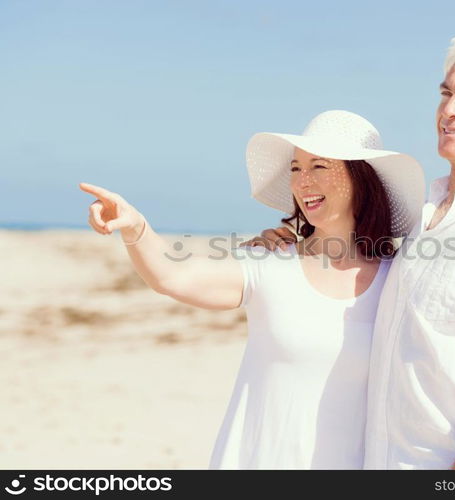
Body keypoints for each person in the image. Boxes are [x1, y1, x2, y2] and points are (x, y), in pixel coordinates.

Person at [251, 27, 455, 469]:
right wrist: (296, 241)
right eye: (445, 94)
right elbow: (352, 265)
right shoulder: (419, 220)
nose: (449, 110)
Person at [79, 110, 424, 469]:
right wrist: (136, 228)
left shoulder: (398, 279)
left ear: (360, 179)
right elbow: (171, 276)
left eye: (318, 166)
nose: (302, 181)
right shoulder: (269, 263)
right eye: (294, 168)